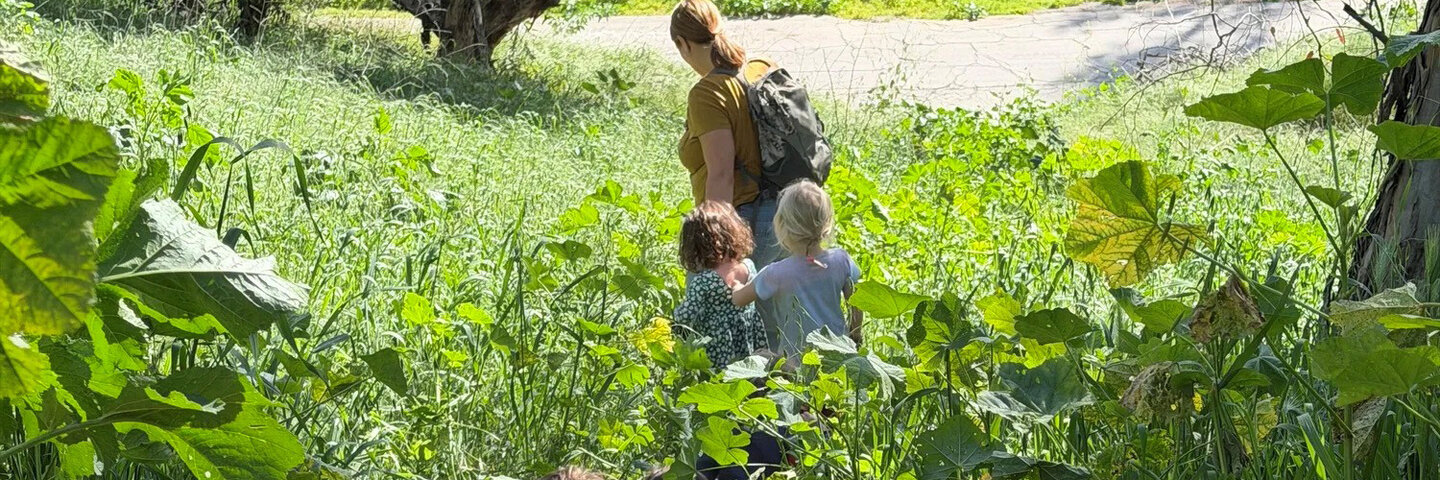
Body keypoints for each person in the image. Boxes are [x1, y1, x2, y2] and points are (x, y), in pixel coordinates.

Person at [670, 0, 783, 268]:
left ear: (683, 44)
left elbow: (721, 175)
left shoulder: (708, 93)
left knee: (720, 309)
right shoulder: (759, 68)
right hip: (786, 214)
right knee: (782, 311)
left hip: (746, 223)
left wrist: (715, 248)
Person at [733, 180, 863, 360]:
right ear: (827, 222)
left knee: (762, 358)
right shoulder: (842, 260)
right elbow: (856, 299)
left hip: (795, 365)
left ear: (780, 225)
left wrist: (736, 280)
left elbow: (739, 299)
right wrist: (855, 333)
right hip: (838, 357)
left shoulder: (776, 274)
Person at [673, 201, 768, 367]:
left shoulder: (704, 281)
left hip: (718, 345)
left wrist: (670, 322)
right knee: (748, 374)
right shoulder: (749, 267)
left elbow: (686, 317)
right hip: (747, 338)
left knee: (721, 381)